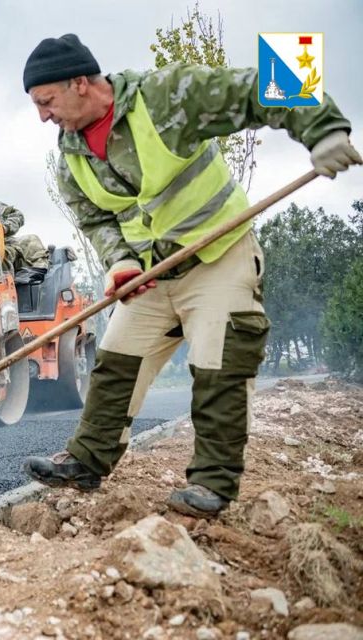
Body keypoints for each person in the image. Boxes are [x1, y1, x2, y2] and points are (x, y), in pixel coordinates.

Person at [19, 34, 360, 517]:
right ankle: (88, 461)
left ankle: (213, 486)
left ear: (80, 83)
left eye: (46, 102)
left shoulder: (165, 96)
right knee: (116, 361)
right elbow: (96, 218)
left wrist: (322, 128)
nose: (43, 116)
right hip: (154, 277)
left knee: (219, 364)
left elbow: (258, 83)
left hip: (218, 255)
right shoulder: (71, 156)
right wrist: (122, 264)